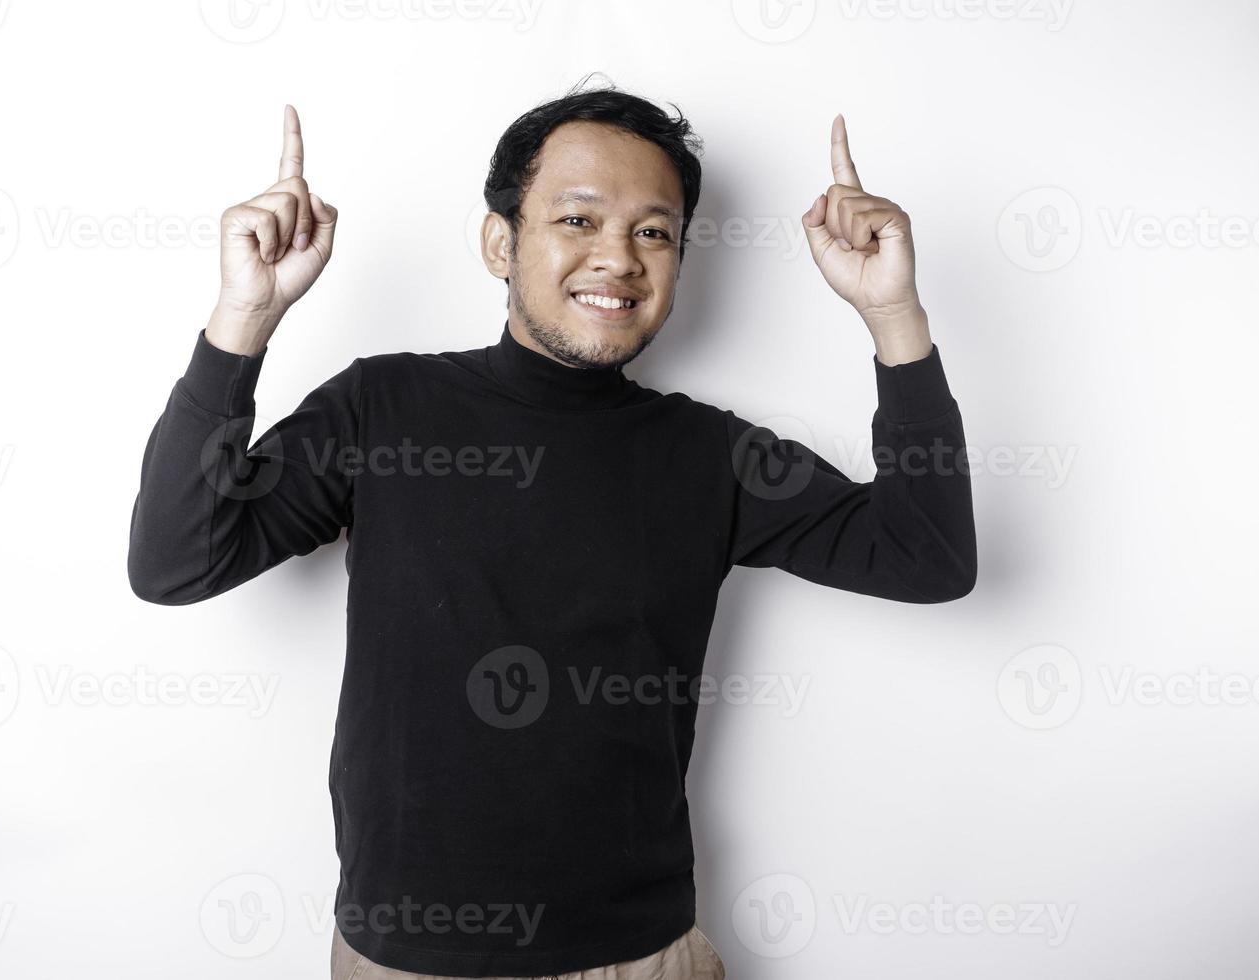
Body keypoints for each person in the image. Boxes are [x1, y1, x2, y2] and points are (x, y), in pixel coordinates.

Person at [128, 79, 976, 979]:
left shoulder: (708, 453)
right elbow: (179, 561)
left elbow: (927, 557)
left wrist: (893, 317)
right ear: (502, 241)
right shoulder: (383, 407)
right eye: (577, 220)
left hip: (637, 956)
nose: (618, 258)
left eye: (653, 232)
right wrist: (244, 321)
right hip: (407, 957)